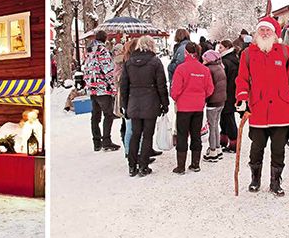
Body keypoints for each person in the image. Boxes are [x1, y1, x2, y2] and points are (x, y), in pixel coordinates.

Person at [235, 16, 289, 196]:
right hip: (257, 110)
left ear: (275, 33)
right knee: (256, 148)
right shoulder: (248, 54)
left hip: (280, 110)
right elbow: (242, 79)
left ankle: (275, 182)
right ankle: (255, 179)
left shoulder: (285, 52)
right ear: (257, 32)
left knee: (278, 149)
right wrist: (242, 100)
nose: (265, 33)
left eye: (268, 30)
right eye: (262, 30)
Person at [120, 36, 169, 177]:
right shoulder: (155, 62)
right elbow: (161, 85)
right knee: (147, 135)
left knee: (135, 134)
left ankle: (131, 166)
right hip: (151, 102)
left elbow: (124, 86)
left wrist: (125, 105)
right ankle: (143, 165)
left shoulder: (129, 63)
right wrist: (164, 103)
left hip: (134, 103)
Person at [170, 42, 213, 174]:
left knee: (182, 136)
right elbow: (210, 89)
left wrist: (176, 98)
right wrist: (201, 97)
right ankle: (195, 164)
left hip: (184, 107)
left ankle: (181, 166)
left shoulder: (181, 69)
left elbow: (175, 90)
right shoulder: (204, 69)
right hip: (198, 107)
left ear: (186, 53)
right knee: (196, 135)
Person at [83, 30, 120, 152]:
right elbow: (108, 70)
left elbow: (86, 69)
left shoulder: (88, 50)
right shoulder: (102, 50)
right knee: (108, 114)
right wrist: (114, 87)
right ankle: (107, 141)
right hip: (102, 88)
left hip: (92, 87)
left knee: (95, 115)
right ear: (105, 39)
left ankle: (96, 142)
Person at [202, 50, 226, 162]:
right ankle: (217, 148)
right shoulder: (220, 67)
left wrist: (204, 99)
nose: (203, 60)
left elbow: (208, 87)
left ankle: (212, 151)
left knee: (212, 126)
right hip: (221, 101)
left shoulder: (209, 69)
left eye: (205, 58)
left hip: (212, 102)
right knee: (215, 125)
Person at [218, 39, 239, 153]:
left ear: (226, 48)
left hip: (227, 94)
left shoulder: (226, 62)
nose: (219, 50)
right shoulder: (233, 59)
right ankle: (224, 140)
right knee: (225, 117)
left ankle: (233, 143)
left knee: (228, 118)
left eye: (221, 48)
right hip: (231, 93)